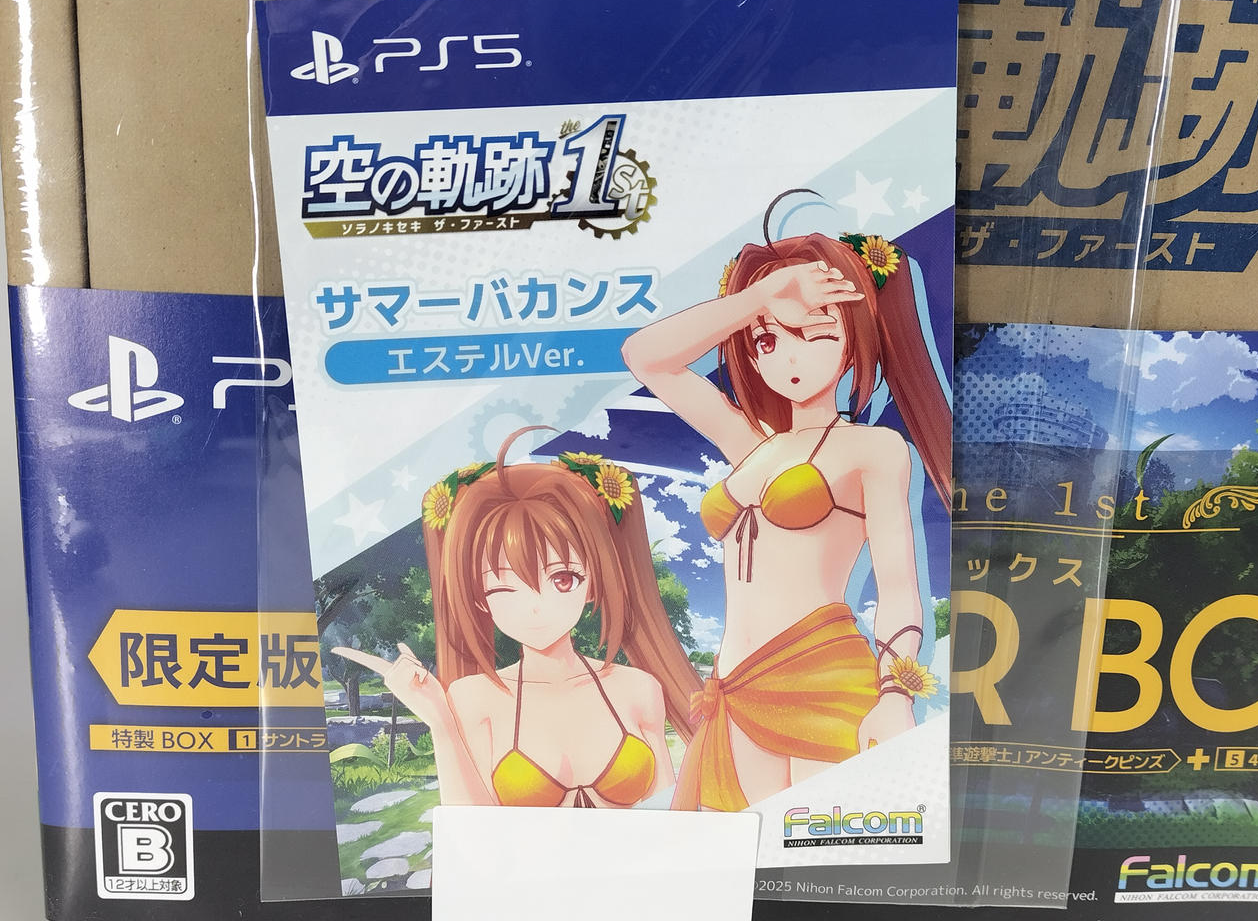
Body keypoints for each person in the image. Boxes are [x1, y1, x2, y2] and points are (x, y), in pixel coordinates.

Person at [622, 226, 949, 811]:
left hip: (823, 674)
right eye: (768, 341)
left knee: (819, 856)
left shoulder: (873, 449)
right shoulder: (748, 443)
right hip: (731, 686)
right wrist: (762, 296)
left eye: (817, 334)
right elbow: (646, 357)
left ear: (855, 341)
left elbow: (900, 587)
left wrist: (895, 693)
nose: (789, 358)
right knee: (731, 854)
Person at [334, 427, 701, 809]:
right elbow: (472, 831)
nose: (535, 606)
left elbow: (673, 819)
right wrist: (441, 724)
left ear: (594, 582)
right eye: (503, 587)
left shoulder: (638, 688)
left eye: (562, 578)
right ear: (479, 598)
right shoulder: (474, 697)